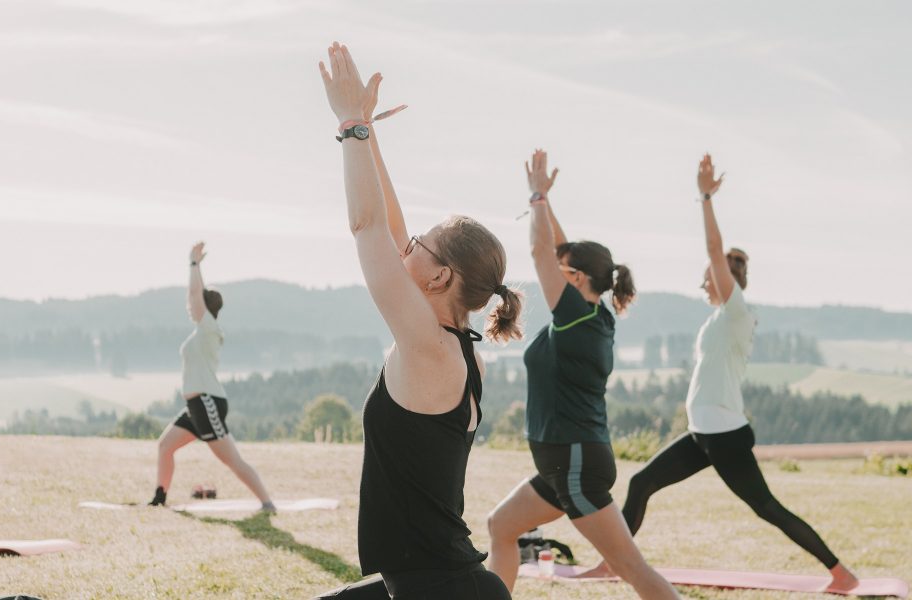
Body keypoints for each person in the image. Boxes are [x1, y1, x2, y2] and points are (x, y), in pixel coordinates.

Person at [582, 154, 859, 593]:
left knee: (766, 506)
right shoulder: (717, 319)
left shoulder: (736, 312)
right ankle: (612, 563)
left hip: (725, 435)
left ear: (723, 279)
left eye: (708, 278)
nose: (703, 284)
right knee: (643, 481)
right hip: (702, 434)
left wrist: (705, 196)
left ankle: (840, 573)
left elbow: (714, 251)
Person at [312, 42, 518, 600]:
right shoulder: (457, 350)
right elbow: (392, 229)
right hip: (436, 583)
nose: (408, 247)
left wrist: (350, 125)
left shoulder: (427, 348)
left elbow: (369, 229)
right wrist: (371, 137)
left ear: (440, 277)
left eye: (420, 247)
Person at [483, 151, 679, 599]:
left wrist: (535, 197)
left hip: (574, 465)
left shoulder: (577, 318)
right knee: (501, 527)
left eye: (563, 269)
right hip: (562, 465)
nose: (555, 269)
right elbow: (557, 252)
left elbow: (540, 252)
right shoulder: (593, 314)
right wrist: (546, 202)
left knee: (630, 567)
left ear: (574, 279)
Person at [147, 242, 275, 511]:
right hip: (196, 406)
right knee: (165, 446)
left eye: (196, 305)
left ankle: (267, 502)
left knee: (231, 460)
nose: (190, 306)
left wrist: (194, 263)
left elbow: (195, 293)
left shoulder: (208, 329)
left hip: (207, 403)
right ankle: (159, 498)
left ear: (205, 308)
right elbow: (194, 297)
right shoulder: (202, 332)